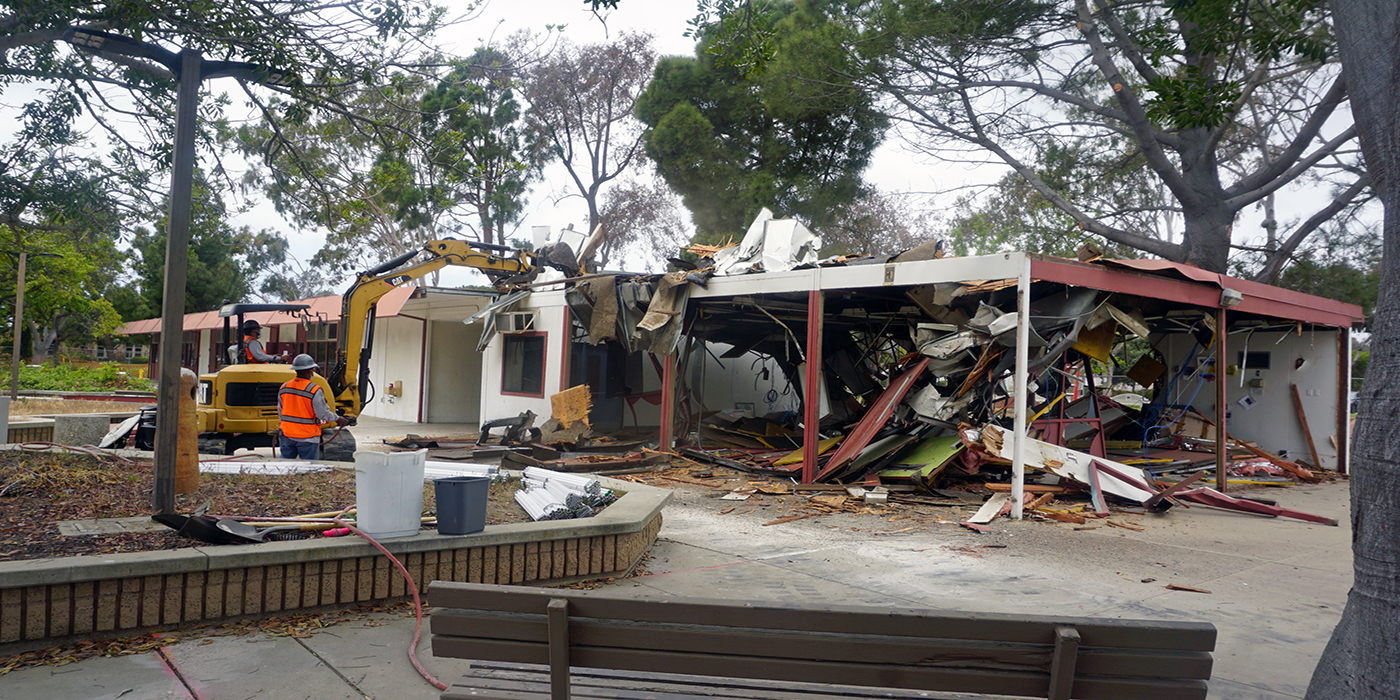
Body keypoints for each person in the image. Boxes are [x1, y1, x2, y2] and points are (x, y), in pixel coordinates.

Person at [277, 354, 349, 459]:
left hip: (287, 434)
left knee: (284, 467)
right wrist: (338, 419)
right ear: (310, 371)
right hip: (307, 436)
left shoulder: (284, 387)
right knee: (309, 468)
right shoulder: (314, 390)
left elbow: (280, 411)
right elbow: (322, 413)